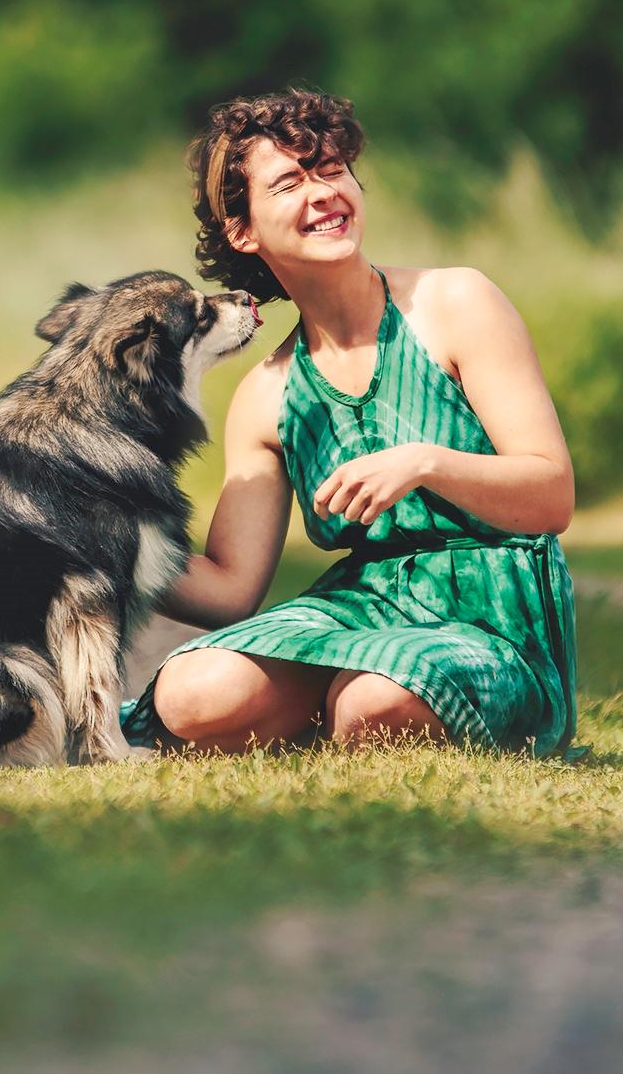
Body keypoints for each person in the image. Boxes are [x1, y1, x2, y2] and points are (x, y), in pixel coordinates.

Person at [119, 88, 577, 756]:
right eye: (289, 182)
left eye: (332, 169)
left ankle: (340, 717)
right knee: (191, 692)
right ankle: (331, 716)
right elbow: (229, 588)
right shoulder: (267, 393)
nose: (323, 193)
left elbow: (551, 495)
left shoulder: (456, 302)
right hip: (362, 607)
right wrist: (107, 542)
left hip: (493, 615)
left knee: (374, 703)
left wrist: (425, 463)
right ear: (242, 231)